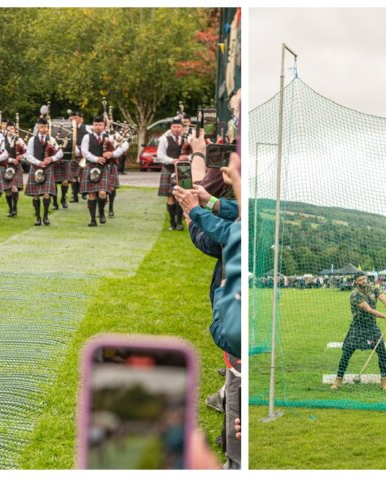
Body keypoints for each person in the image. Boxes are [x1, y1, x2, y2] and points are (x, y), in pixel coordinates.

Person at [173, 129, 241, 469]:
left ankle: (233, 457)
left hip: (235, 317)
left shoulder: (245, 224)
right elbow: (235, 215)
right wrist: (211, 203)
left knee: (236, 371)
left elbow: (224, 237)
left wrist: (194, 215)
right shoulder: (244, 208)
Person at [331, 272, 386, 391]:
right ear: (356, 282)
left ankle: (384, 382)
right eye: (360, 280)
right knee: (346, 354)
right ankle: (337, 381)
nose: (363, 281)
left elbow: (384, 299)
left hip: (372, 327)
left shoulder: (373, 289)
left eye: (364, 279)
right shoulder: (355, 295)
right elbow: (369, 310)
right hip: (358, 327)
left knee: (382, 353)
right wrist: (385, 317)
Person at [79, 116, 124, 227]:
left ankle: (101, 212)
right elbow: (84, 151)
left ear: (104, 126)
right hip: (91, 166)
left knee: (103, 193)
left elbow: (122, 147)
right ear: (93, 126)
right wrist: (96, 158)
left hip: (104, 168)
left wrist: (112, 154)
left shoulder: (110, 136)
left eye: (100, 125)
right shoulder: (87, 137)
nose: (98, 127)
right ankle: (93, 219)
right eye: (96, 125)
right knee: (92, 194)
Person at [24, 118, 63, 226]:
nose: (44, 129)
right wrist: (38, 162)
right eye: (42, 127)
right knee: (36, 195)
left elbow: (60, 153)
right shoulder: (32, 140)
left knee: (46, 194)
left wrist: (51, 159)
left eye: (45, 127)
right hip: (36, 168)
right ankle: (37, 217)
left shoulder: (52, 139)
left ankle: (45, 216)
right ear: (37, 127)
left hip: (48, 169)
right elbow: (28, 155)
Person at [156, 119, 191, 231]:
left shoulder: (188, 139)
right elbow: (160, 155)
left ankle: (179, 222)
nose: (176, 129)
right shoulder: (164, 139)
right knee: (170, 197)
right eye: (174, 127)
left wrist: (187, 158)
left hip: (183, 170)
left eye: (178, 127)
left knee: (181, 196)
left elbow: (195, 153)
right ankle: (172, 223)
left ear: (182, 128)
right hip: (168, 169)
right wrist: (173, 161)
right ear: (171, 128)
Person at [2, 123, 26, 217]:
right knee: (7, 190)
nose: (11, 130)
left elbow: (26, 151)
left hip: (16, 167)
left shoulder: (19, 139)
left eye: (12, 128)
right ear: (6, 129)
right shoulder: (2, 140)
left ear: (15, 130)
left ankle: (15, 208)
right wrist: (12, 160)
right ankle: (11, 208)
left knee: (14, 187)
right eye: (9, 128)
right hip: (5, 165)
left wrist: (21, 156)